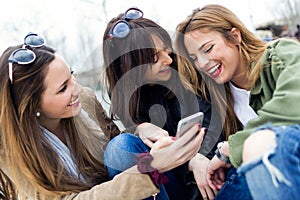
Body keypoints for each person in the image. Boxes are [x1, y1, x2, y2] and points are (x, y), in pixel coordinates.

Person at [0, 32, 204, 199]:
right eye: (63, 88)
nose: (78, 89)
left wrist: (140, 129)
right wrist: (150, 168)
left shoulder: (85, 102)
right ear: (31, 104)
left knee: (122, 145)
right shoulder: (10, 152)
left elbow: (115, 150)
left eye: (71, 75)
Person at [102, 7, 242, 200]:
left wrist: (192, 159)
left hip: (211, 170)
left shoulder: (188, 71)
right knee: (120, 148)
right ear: (128, 66)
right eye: (154, 58)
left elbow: (213, 135)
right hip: (166, 181)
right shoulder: (126, 96)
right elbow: (147, 157)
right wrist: (138, 128)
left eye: (166, 51)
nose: (168, 60)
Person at [175, 4, 300, 199]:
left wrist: (231, 148)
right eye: (194, 58)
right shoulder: (217, 97)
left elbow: (294, 105)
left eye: (208, 49)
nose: (203, 63)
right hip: (257, 179)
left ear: (235, 36)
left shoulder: (280, 54)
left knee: (258, 144)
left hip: (290, 155)